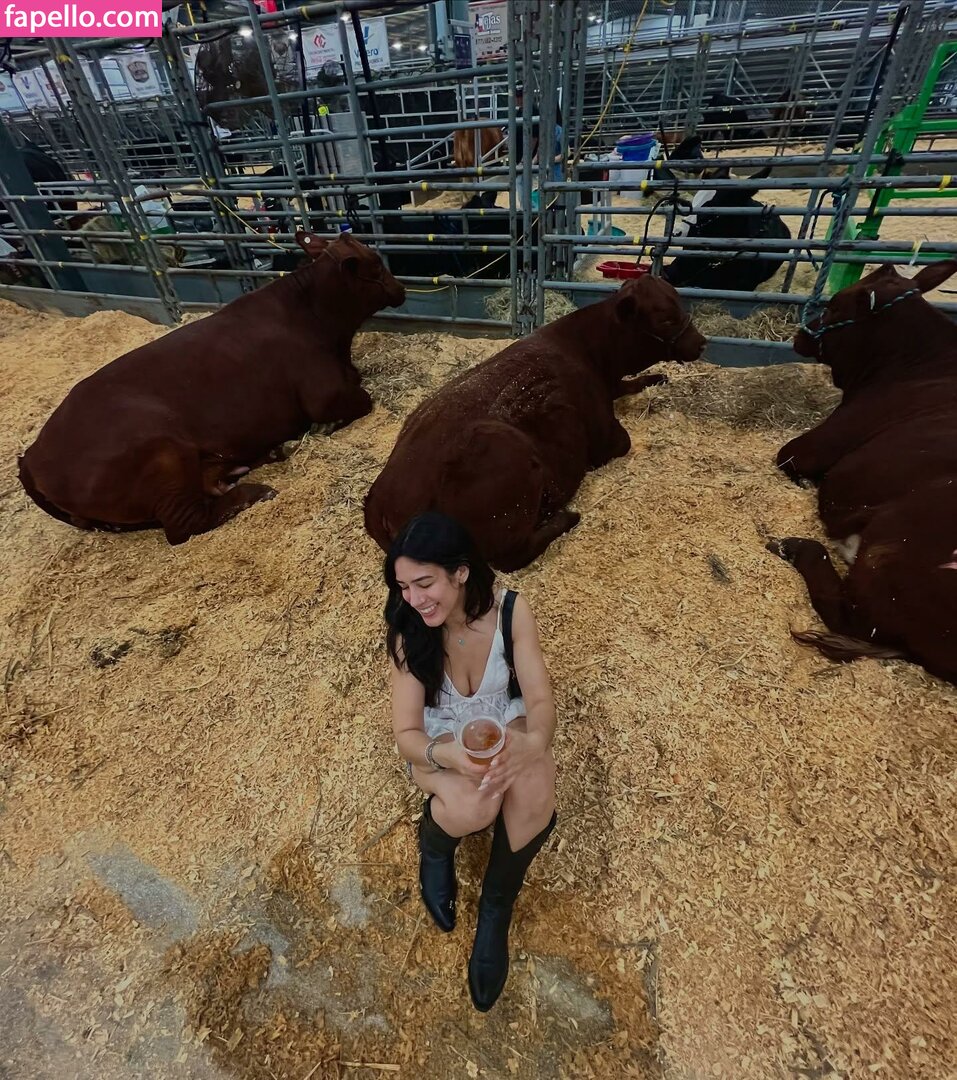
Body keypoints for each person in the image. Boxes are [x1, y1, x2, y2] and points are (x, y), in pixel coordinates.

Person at [385, 512, 557, 1012]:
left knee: (535, 784)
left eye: (425, 583)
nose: (414, 599)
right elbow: (407, 735)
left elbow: (540, 702)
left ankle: (496, 906)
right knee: (474, 805)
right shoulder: (409, 630)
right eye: (404, 587)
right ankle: (435, 846)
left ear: (460, 572)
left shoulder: (511, 611)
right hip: (442, 738)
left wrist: (533, 742)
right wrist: (447, 757)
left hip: (503, 719)